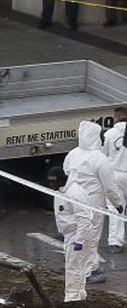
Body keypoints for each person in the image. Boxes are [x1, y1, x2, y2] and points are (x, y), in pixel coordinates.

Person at [63, 121, 124, 284]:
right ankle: (89, 270)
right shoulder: (99, 159)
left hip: (73, 200)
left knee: (77, 235)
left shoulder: (73, 153)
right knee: (91, 237)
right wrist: (118, 204)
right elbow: (110, 186)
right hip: (92, 203)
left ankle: (84, 267)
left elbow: (66, 170)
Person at [47, 166, 92, 302]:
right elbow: (64, 214)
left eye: (53, 181)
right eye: (49, 181)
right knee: (77, 266)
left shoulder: (75, 194)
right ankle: (80, 294)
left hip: (78, 233)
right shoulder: (61, 190)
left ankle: (72, 298)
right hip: (70, 233)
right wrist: (62, 231)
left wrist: (79, 240)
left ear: (61, 180)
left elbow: (84, 219)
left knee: (73, 267)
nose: (51, 184)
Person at [103, 107, 127, 254]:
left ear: (116, 118)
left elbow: (102, 156)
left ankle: (115, 243)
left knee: (116, 208)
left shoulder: (109, 134)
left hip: (115, 175)